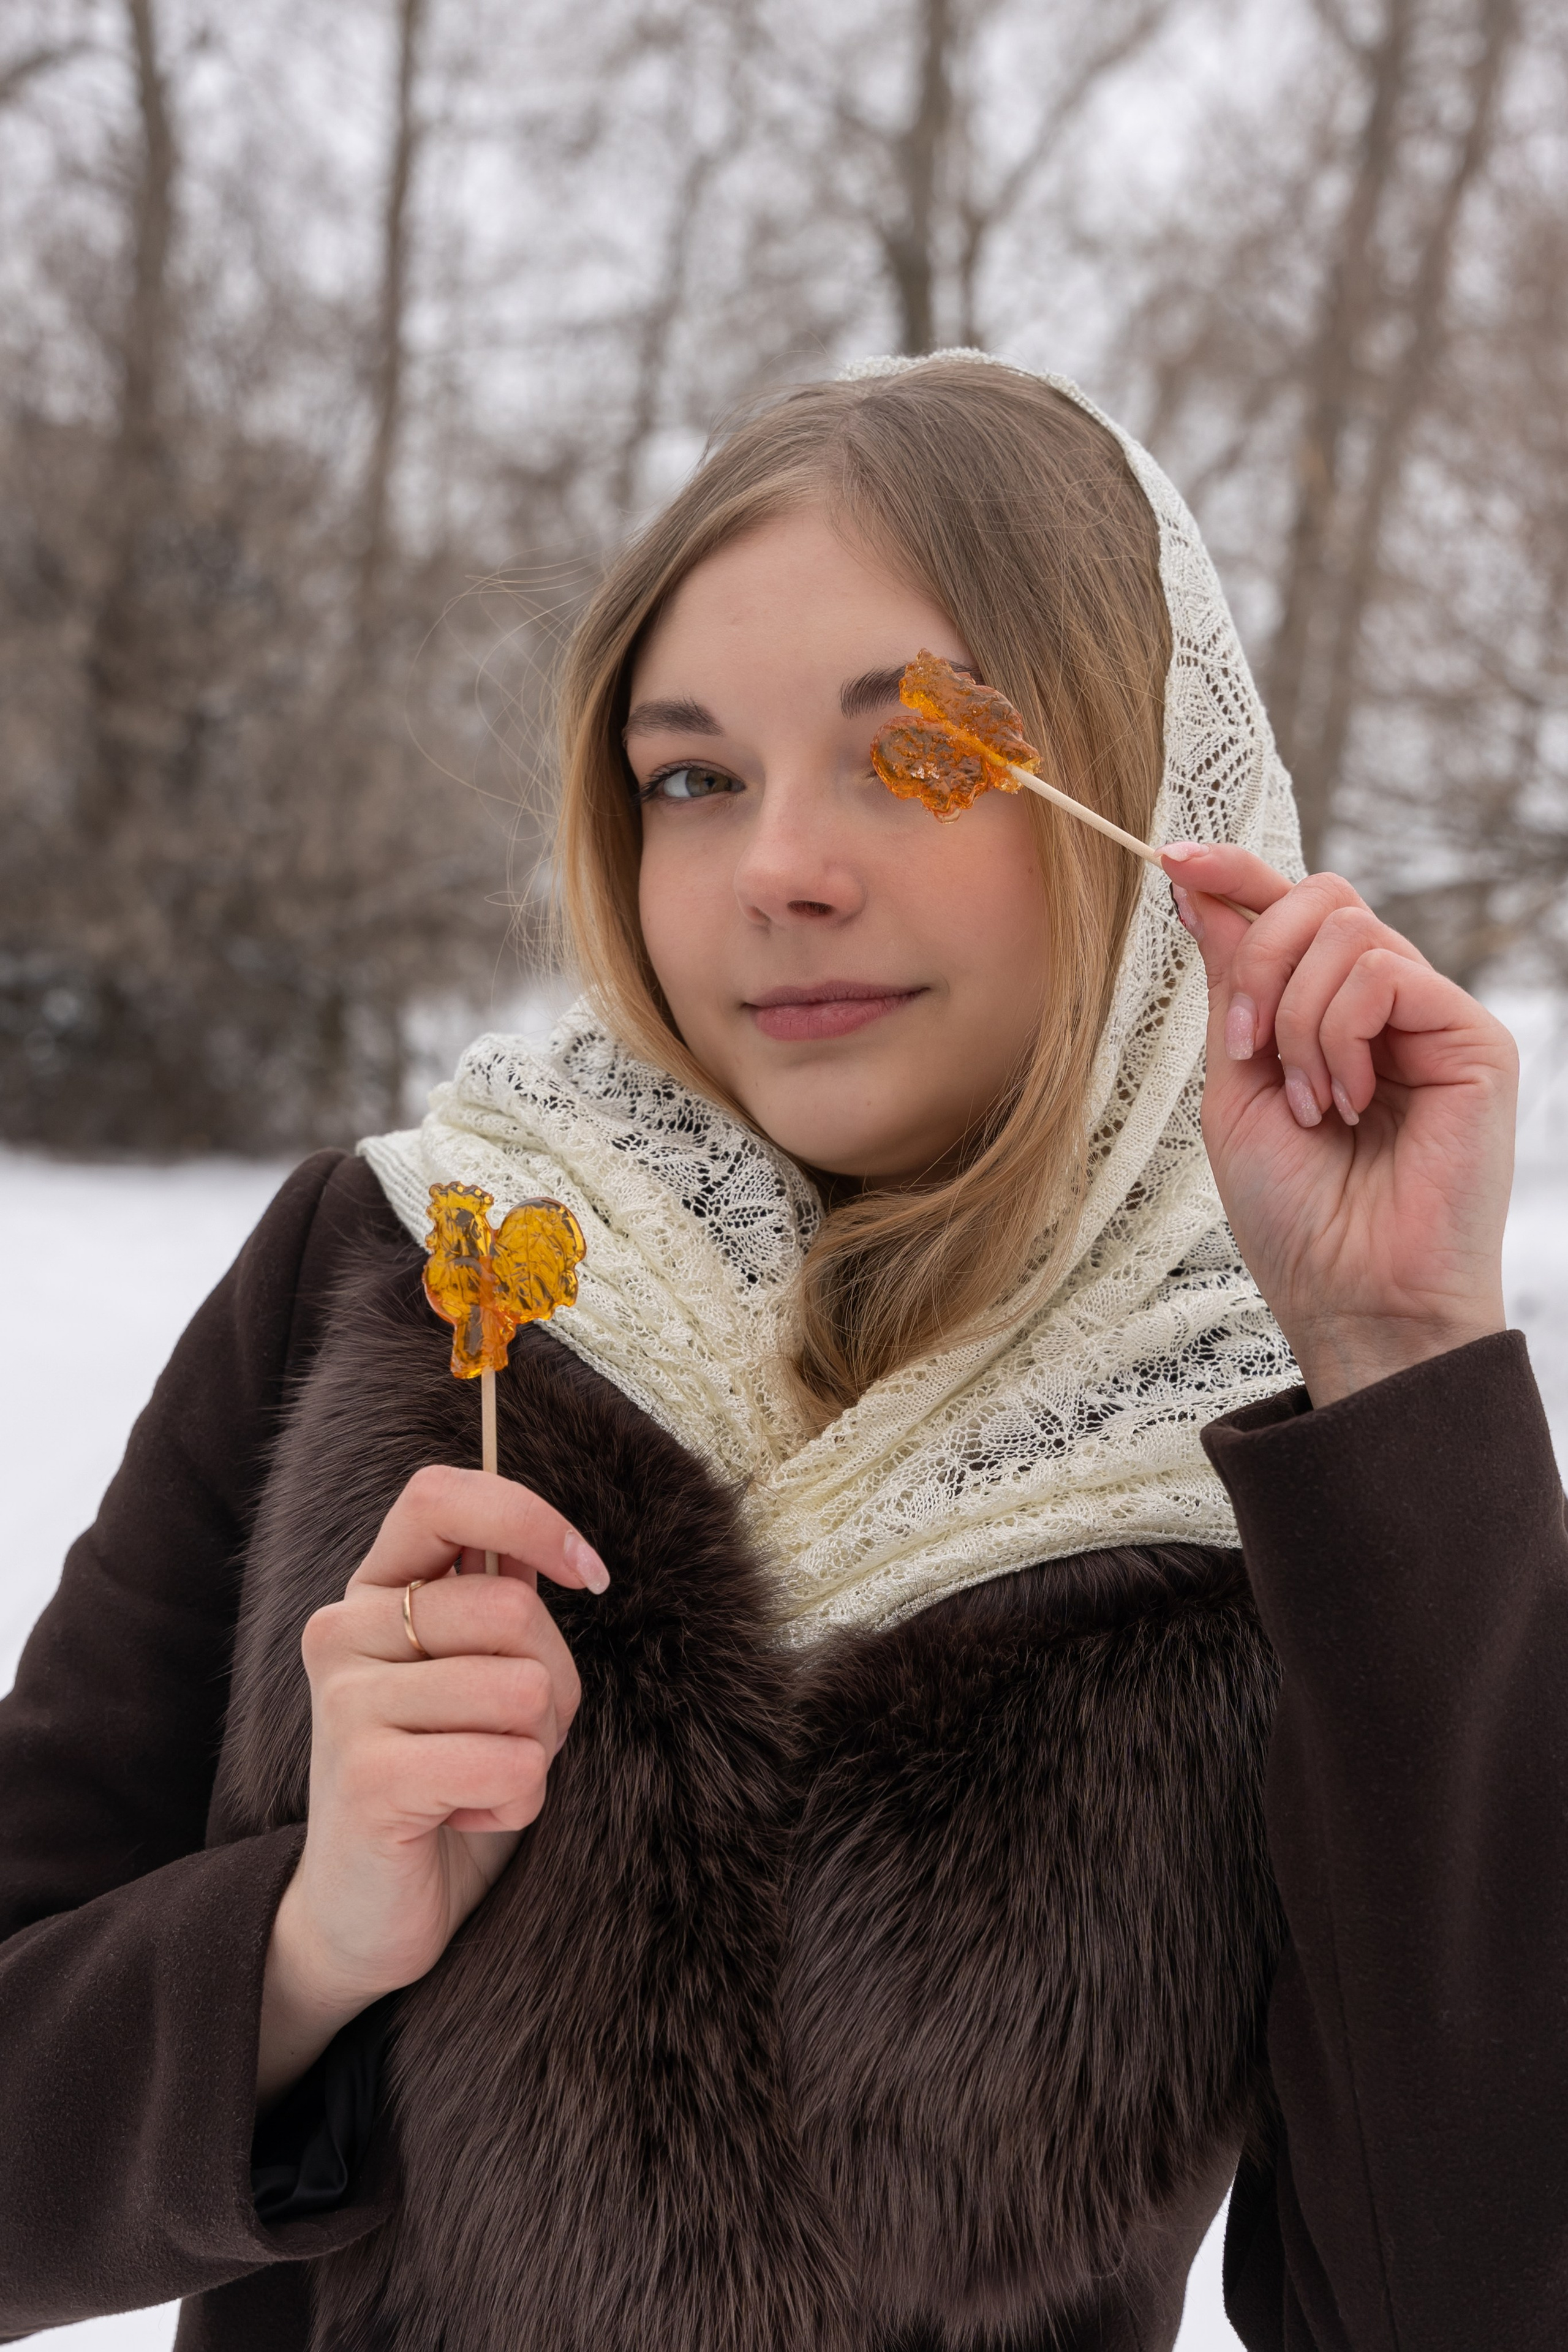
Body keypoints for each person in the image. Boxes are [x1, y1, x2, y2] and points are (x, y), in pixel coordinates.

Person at [1, 353, 1558, 2352]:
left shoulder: (1294, 1482)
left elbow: (1478, 2296)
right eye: (692, 776)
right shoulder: (416, 1262)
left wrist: (1403, 1356)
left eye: (914, 759)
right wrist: (306, 1947)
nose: (773, 871)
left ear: (1149, 804)